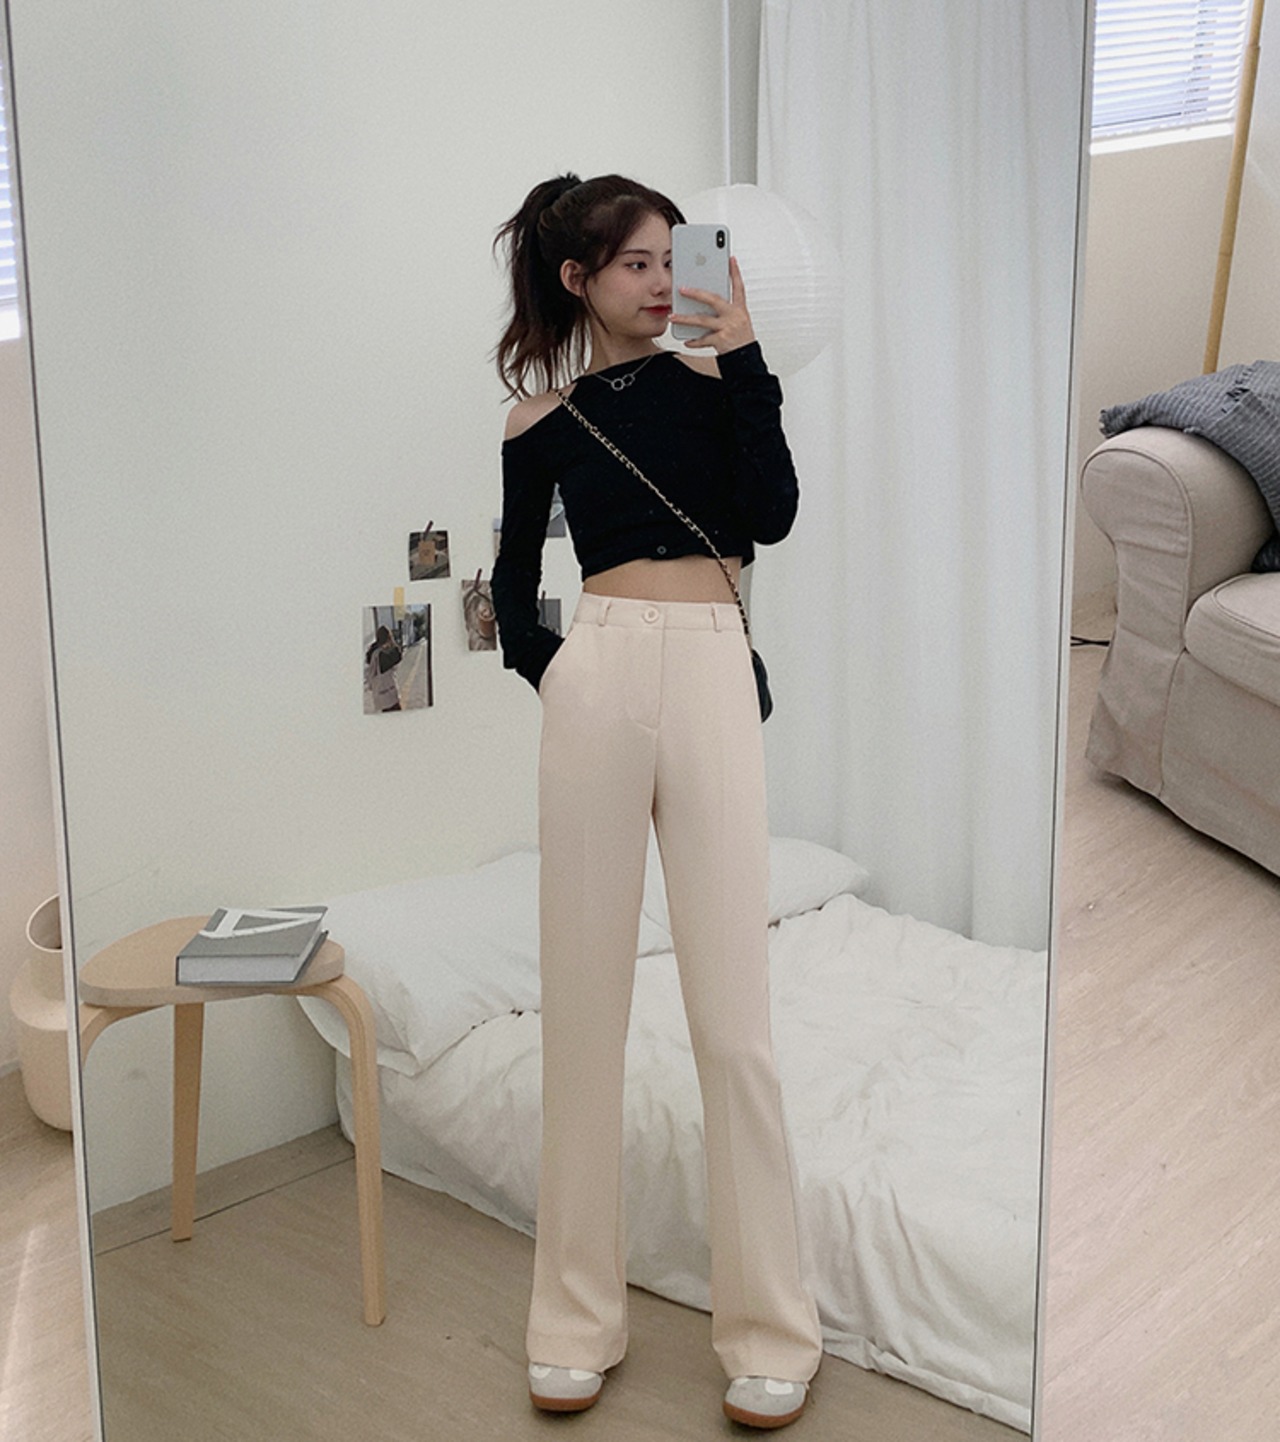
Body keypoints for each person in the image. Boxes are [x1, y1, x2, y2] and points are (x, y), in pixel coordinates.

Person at [490, 173, 822, 1431]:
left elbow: (770, 516)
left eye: (668, 259)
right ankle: (571, 1318)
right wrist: (562, 671)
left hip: (710, 666)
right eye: (632, 262)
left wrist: (744, 360)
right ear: (578, 280)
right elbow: (512, 585)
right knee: (581, 1010)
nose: (655, 279)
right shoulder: (540, 422)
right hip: (599, 672)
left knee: (732, 1019)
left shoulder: (718, 383)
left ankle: (770, 1329)